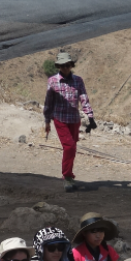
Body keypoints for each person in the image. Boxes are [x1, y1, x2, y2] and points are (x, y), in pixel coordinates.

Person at [42, 51, 95, 192]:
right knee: (69, 146)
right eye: (62, 65)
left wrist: (90, 117)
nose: (65, 68)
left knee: (72, 148)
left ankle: (70, 175)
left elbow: (84, 98)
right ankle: (66, 177)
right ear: (58, 66)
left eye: (67, 65)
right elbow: (48, 102)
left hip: (74, 119)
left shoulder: (78, 80)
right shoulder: (53, 81)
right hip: (60, 119)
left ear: (71, 65)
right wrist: (47, 120)